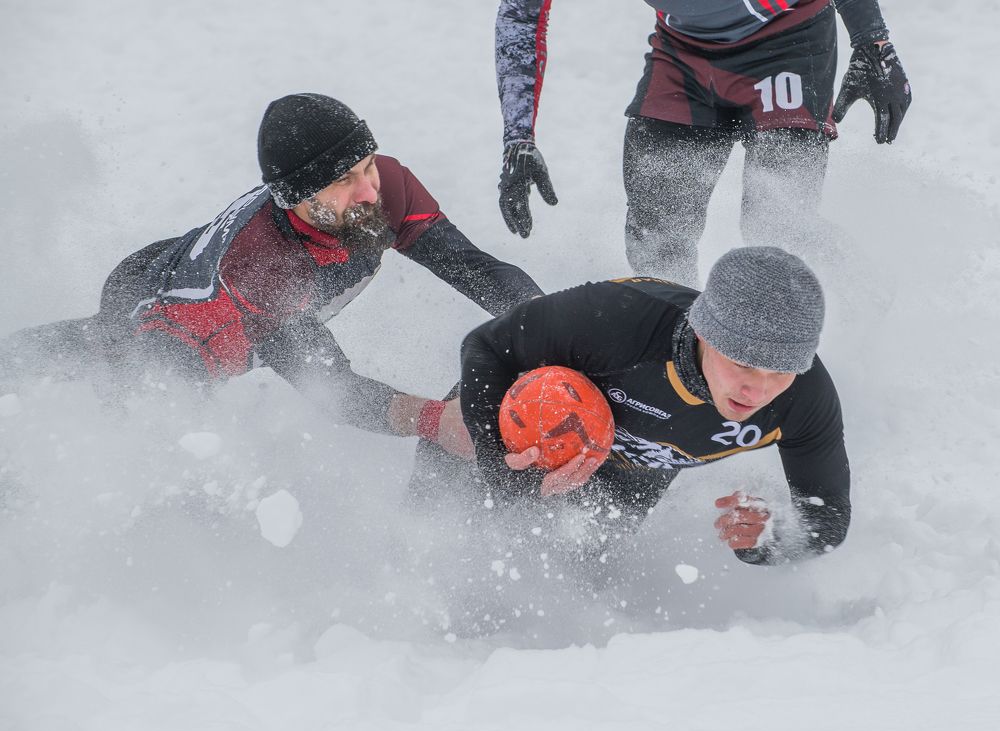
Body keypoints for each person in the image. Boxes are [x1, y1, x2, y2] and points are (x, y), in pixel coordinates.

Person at [1, 93, 543, 458]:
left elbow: (478, 270)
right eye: (345, 181)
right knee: (124, 415)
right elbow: (332, 389)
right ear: (299, 197)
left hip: (229, 288)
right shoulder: (257, 276)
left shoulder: (384, 187)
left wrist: (553, 330)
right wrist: (433, 421)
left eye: (368, 166)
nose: (370, 191)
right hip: (160, 306)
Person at [460, 246, 849, 565]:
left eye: (780, 372)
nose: (757, 392)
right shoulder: (616, 318)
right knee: (459, 539)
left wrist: (773, 536)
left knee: (576, 575)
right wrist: (494, 457)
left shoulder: (804, 400)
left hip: (634, 475)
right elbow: (486, 346)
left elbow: (829, 518)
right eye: (742, 364)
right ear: (703, 334)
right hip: (523, 430)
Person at [494, 0, 911, 285]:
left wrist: (874, 43)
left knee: (778, 229)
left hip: (790, 41)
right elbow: (520, 17)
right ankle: (684, 356)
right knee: (657, 233)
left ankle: (859, 297)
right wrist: (518, 138)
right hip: (684, 50)